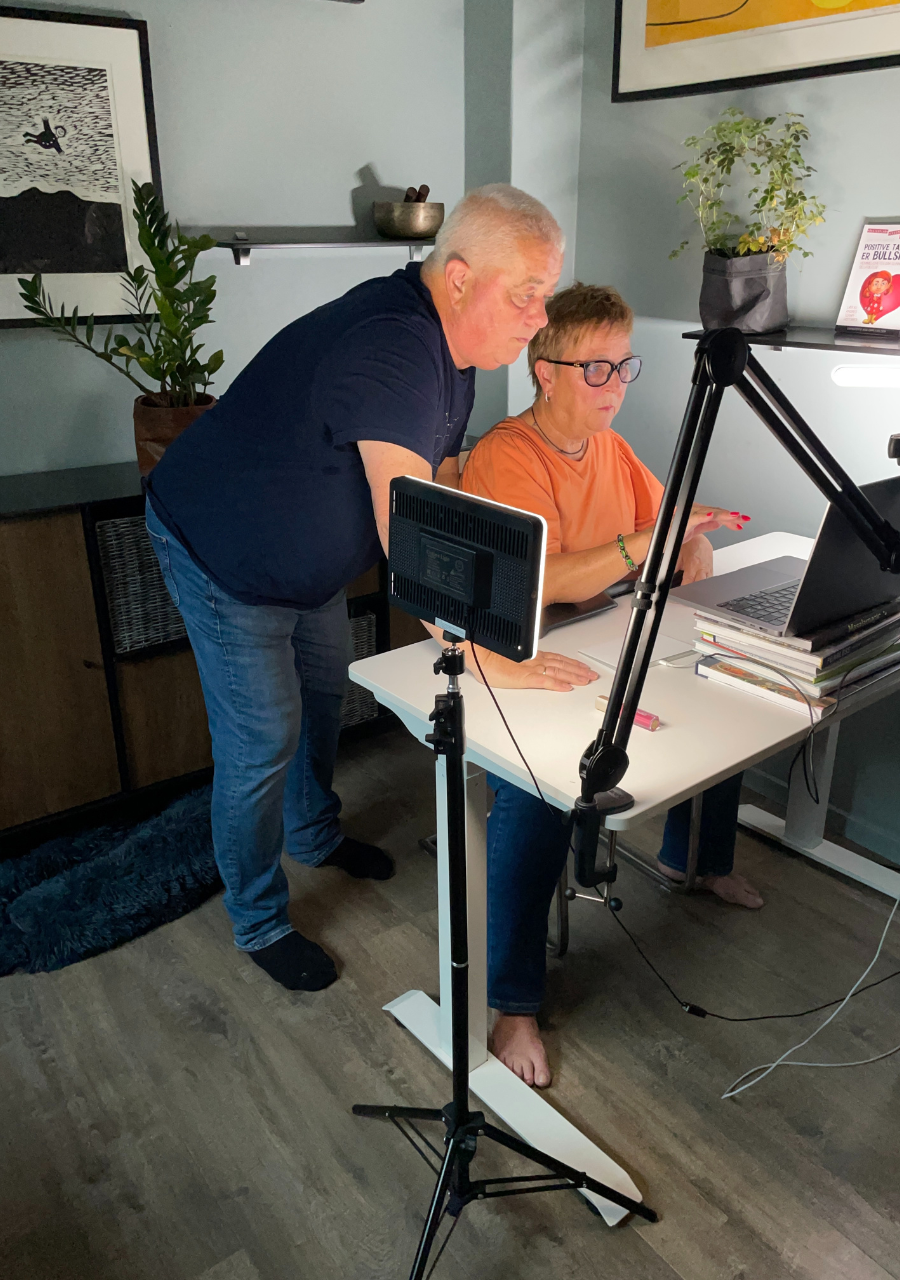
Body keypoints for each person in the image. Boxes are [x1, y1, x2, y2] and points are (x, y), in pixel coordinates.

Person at [144, 184, 594, 994]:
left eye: (547, 294)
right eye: (526, 294)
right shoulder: (395, 347)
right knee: (262, 739)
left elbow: (437, 480)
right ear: (459, 278)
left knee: (324, 693)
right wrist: (494, 660)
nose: (540, 317)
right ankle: (258, 919)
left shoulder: (454, 347)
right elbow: (414, 547)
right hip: (222, 552)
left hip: (305, 564)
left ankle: (313, 834)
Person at [461, 282, 761, 1087]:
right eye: (596, 369)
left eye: (623, 366)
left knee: (722, 689)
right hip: (521, 649)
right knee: (536, 789)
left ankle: (696, 862)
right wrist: (651, 546)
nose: (615, 385)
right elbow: (547, 580)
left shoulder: (611, 449)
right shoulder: (507, 456)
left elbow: (674, 531)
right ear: (544, 371)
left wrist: (689, 547)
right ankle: (513, 1004)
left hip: (602, 632)